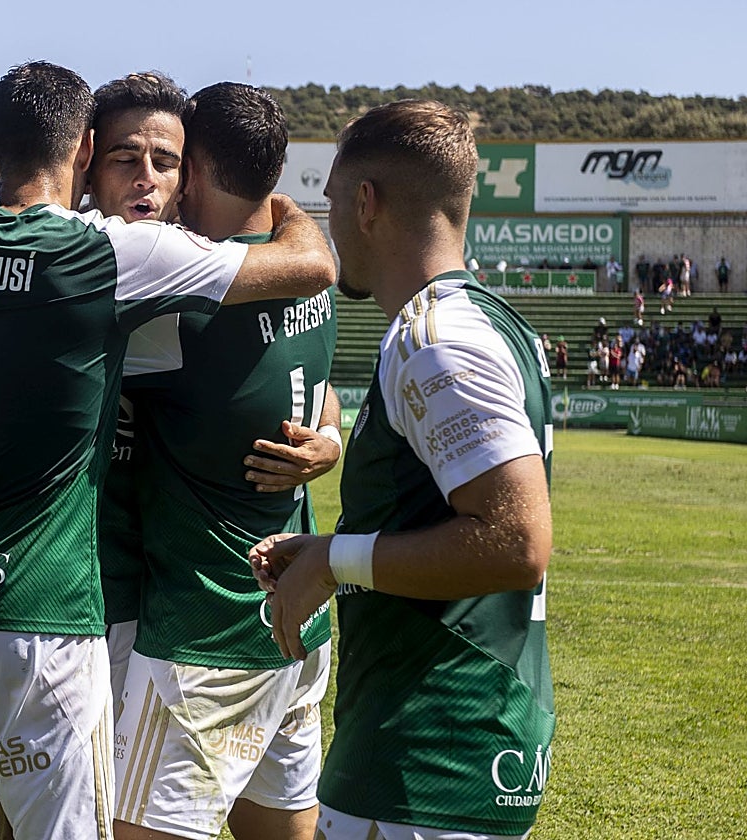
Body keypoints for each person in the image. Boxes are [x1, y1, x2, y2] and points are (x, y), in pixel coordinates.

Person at [0, 61, 334, 840]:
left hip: (153, 609)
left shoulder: (158, 270)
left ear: (191, 176)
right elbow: (311, 267)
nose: (146, 178)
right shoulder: (110, 264)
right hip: (90, 601)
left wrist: (328, 434)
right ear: (84, 158)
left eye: (166, 161)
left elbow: (308, 375)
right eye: (125, 156)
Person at [248, 100, 555, 840]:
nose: (330, 224)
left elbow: (517, 542)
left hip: (432, 751)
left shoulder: (436, 338)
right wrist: (331, 555)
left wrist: (334, 560)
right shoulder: (487, 322)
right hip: (444, 741)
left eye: (331, 202)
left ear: (366, 202)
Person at [112, 82, 339, 840]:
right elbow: (326, 391)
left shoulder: (184, 298)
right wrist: (331, 439)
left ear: (200, 169)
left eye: (174, 162)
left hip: (207, 635)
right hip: (298, 619)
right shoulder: (306, 277)